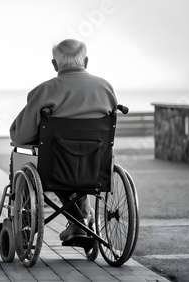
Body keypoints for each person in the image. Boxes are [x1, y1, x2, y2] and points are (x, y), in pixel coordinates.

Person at [9, 39, 117, 243]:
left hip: (56, 169)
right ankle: (81, 219)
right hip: (94, 166)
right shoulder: (105, 88)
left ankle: (78, 222)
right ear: (85, 61)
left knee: (51, 158)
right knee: (78, 155)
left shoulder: (45, 90)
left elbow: (20, 136)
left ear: (54, 64)